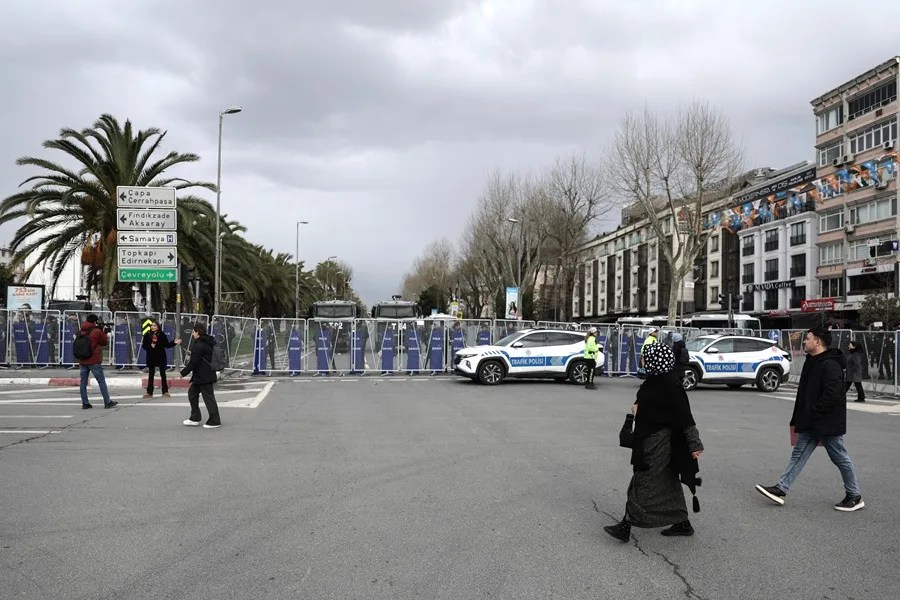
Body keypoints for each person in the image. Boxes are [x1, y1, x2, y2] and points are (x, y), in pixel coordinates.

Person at [755, 327, 864, 512]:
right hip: (811, 420)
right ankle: (781, 489)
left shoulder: (830, 364)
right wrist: (800, 416)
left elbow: (832, 394)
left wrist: (814, 412)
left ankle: (854, 496)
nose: (804, 341)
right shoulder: (812, 361)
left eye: (808, 338)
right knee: (798, 455)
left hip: (826, 421)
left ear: (818, 342)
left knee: (840, 457)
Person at [603, 343, 704, 542]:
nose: (642, 360)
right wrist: (638, 407)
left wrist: (695, 444)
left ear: (655, 360)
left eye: (645, 357)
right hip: (648, 441)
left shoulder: (670, 385)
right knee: (668, 482)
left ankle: (626, 525)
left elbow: (685, 417)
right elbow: (650, 404)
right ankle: (682, 522)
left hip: (660, 445)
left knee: (643, 482)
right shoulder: (654, 381)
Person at [180, 323, 221, 429]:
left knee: (208, 397)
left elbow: (194, 362)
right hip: (201, 376)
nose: (192, 334)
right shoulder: (206, 342)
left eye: (193, 332)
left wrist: (182, 373)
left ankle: (215, 420)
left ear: (197, 332)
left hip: (204, 376)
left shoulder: (199, 344)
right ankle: (195, 418)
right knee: (192, 394)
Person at [78, 314, 117, 410]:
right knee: (101, 381)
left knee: (83, 382)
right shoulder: (96, 331)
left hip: (83, 359)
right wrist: (104, 332)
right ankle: (107, 402)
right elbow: (104, 343)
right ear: (95, 322)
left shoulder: (81, 330)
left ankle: (85, 403)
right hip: (94, 360)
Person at [141, 321, 181, 398]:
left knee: (163, 374)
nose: (153, 327)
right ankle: (149, 392)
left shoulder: (162, 335)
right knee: (151, 375)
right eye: (152, 325)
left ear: (158, 327)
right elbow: (144, 346)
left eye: (154, 325)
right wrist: (150, 346)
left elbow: (167, 345)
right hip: (151, 357)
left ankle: (165, 391)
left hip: (160, 357)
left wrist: (174, 342)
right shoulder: (147, 335)